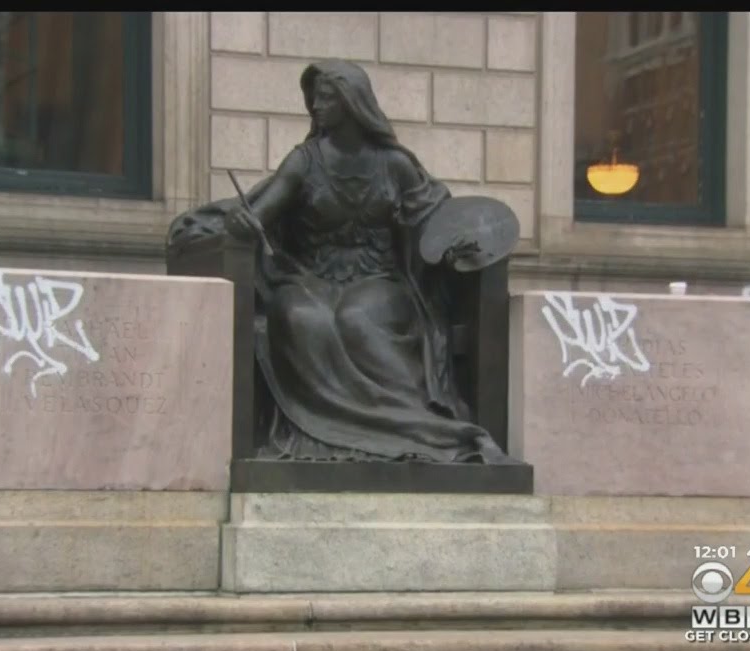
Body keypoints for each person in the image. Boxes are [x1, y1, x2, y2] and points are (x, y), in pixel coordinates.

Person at [169, 59, 512, 464]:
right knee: (300, 319)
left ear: (352, 103)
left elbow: (432, 221)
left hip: (378, 278)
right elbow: (264, 212)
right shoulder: (305, 160)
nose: (316, 106)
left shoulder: (395, 164)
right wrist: (245, 223)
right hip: (309, 277)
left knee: (359, 319)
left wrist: (456, 244)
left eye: (327, 98)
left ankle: (412, 427)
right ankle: (324, 434)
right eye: (314, 98)